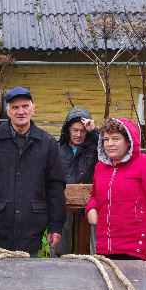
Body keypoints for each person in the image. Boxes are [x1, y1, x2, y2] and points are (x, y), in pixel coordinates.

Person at [0, 87, 66, 257]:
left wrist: (55, 226)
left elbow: (55, 188)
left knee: (26, 283)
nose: (21, 111)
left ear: (33, 109)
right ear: (8, 111)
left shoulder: (48, 143)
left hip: (30, 234)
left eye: (25, 106)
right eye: (15, 107)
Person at [85, 117, 146, 268]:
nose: (110, 144)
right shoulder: (101, 167)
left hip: (139, 251)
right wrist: (91, 209)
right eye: (106, 139)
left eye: (115, 139)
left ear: (129, 141)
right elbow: (95, 196)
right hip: (107, 249)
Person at [51, 108, 99, 257]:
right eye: (75, 130)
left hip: (89, 206)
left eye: (83, 131)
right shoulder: (56, 148)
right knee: (59, 247)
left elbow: (107, 150)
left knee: (90, 249)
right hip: (61, 205)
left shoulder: (95, 149)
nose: (79, 134)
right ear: (68, 130)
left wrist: (94, 131)